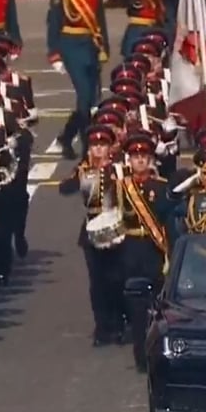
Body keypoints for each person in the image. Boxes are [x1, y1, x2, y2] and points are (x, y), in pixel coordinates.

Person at [57, 124, 127, 345]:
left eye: (102, 145)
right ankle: (102, 327)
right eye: (94, 145)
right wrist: (84, 170)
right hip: (91, 231)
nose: (98, 149)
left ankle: (118, 324)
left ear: (110, 148)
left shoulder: (119, 168)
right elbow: (64, 188)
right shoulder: (84, 169)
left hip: (116, 227)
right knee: (97, 282)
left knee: (116, 279)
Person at [47, 0, 110, 161]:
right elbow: (53, 26)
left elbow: (100, 22)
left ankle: (65, 138)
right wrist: (54, 55)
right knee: (84, 97)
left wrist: (104, 49)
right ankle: (86, 149)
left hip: (91, 48)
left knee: (93, 99)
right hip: (71, 47)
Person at [118, 133, 171, 370]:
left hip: (154, 249)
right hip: (130, 249)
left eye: (143, 156)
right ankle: (140, 356)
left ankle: (159, 352)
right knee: (136, 307)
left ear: (150, 159)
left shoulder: (162, 187)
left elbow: (168, 222)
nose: (139, 160)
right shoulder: (120, 187)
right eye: (135, 157)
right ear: (128, 160)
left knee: (159, 305)